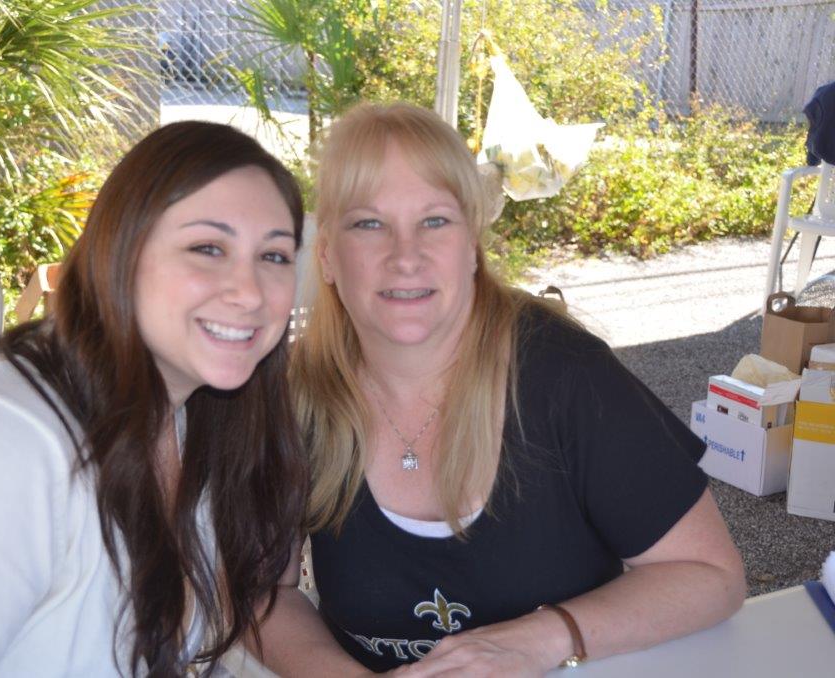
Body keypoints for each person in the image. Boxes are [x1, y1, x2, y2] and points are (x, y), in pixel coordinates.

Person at [257, 102, 745, 676]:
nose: (404, 257)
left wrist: (540, 639)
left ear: (471, 246)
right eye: (369, 223)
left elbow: (711, 575)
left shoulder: (565, 375)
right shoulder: (292, 396)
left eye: (434, 221)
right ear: (327, 257)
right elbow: (261, 593)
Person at [0, 121, 307, 677]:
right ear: (122, 252)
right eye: (207, 248)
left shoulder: (189, 417)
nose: (249, 292)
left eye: (274, 255)